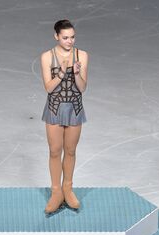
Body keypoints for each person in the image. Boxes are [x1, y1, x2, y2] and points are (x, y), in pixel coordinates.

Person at [40, 20, 89, 214]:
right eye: (65, 37)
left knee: (70, 150)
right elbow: (49, 88)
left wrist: (76, 73)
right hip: (54, 107)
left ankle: (67, 188)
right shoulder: (47, 57)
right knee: (54, 151)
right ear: (56, 36)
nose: (70, 41)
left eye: (72, 37)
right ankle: (56, 191)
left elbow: (83, 88)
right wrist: (61, 72)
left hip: (74, 108)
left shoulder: (82, 55)